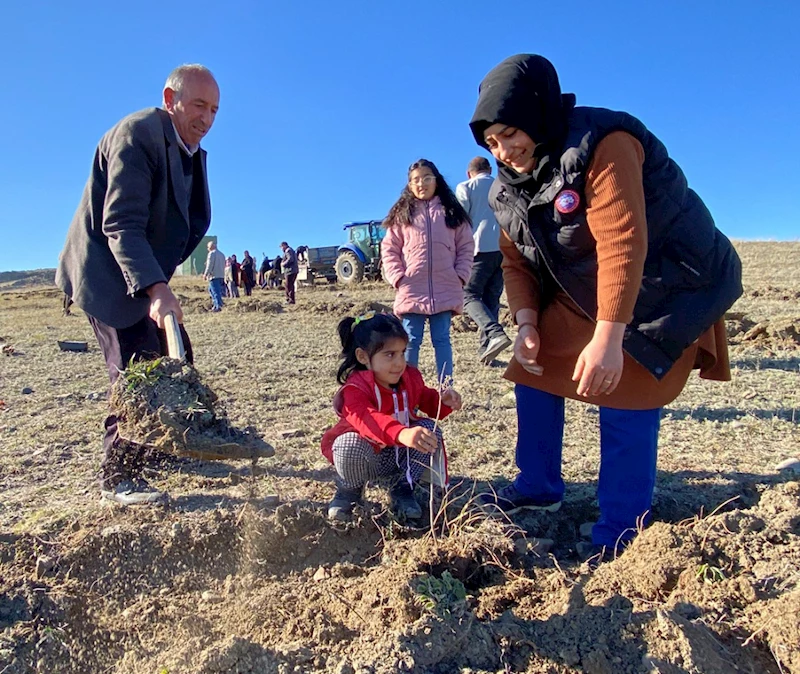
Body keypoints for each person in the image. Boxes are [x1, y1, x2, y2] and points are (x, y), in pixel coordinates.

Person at [468, 54, 742, 562]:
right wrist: (526, 322)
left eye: (511, 133)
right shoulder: (505, 189)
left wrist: (609, 339)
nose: (504, 151)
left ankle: (621, 529)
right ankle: (537, 485)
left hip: (667, 285)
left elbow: (624, 243)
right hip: (585, 290)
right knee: (532, 367)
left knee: (625, 385)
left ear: (538, 112)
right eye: (491, 143)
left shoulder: (605, 143)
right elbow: (516, 262)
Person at [55, 64, 220, 505]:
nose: (207, 118)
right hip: (105, 271)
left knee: (175, 354)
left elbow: (183, 224)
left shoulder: (188, 151)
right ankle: (118, 475)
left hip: (143, 272)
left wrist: (157, 283)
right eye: (198, 105)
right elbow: (122, 224)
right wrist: (156, 287)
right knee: (136, 371)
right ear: (171, 99)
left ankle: (166, 448)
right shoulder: (138, 135)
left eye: (215, 110)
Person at [321, 312, 463, 522]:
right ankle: (350, 491)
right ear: (363, 357)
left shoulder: (409, 377)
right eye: (389, 354)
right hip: (367, 458)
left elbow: (426, 399)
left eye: (402, 353)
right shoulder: (355, 389)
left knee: (430, 429)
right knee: (346, 443)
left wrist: (444, 401)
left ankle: (403, 488)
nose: (399, 363)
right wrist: (402, 433)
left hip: (399, 457)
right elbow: (368, 419)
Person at [381, 159, 474, 382]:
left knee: (441, 339)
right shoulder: (402, 215)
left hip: (445, 286)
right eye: (415, 180)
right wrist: (398, 277)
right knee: (411, 339)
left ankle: (445, 388)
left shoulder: (452, 212)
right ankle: (408, 388)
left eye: (426, 178)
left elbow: (466, 246)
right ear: (409, 185)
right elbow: (389, 248)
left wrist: (460, 275)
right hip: (412, 288)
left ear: (436, 180)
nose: (421, 183)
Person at [456, 156, 512, 365]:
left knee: (467, 294)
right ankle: (486, 353)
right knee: (491, 299)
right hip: (504, 247)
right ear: (489, 169)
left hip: (479, 247)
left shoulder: (466, 187)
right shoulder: (503, 185)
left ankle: (494, 333)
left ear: (469, 173)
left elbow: (460, 219)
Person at [203, 240, 225, 311]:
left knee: (215, 291)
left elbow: (210, 265)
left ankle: (218, 306)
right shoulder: (222, 254)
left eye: (208, 247)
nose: (207, 249)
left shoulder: (211, 254)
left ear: (211, 246)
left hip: (214, 276)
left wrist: (205, 274)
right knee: (212, 289)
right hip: (221, 275)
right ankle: (216, 305)